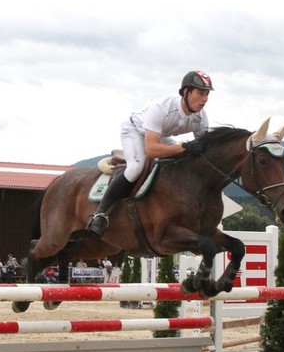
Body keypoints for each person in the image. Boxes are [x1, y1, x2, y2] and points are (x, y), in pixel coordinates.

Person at [87, 70, 214, 236]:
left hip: (160, 135)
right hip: (135, 130)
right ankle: (100, 214)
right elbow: (152, 150)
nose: (204, 99)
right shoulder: (163, 108)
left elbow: (203, 149)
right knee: (136, 168)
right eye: (200, 93)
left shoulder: (201, 118)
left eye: (206, 94)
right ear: (185, 92)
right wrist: (185, 147)